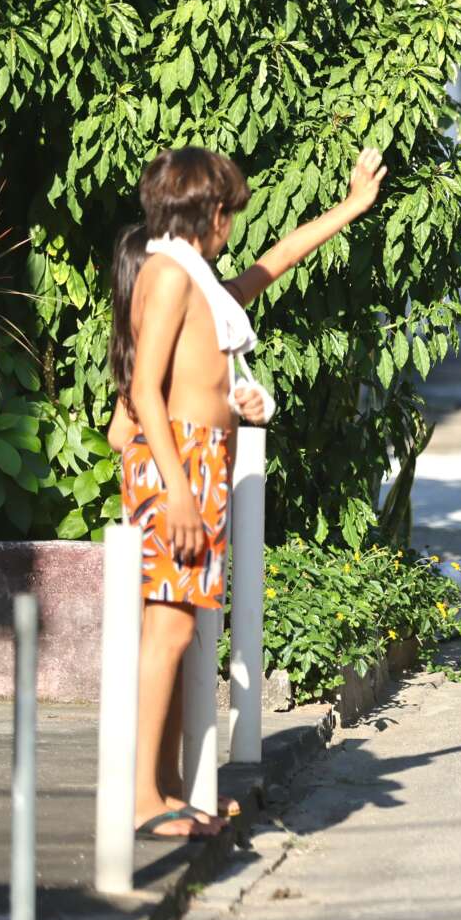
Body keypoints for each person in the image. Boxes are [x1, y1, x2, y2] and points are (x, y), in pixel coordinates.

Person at [115, 146, 385, 840]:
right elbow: (144, 389)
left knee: (179, 631)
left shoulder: (194, 276)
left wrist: (353, 207)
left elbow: (278, 260)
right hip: (177, 466)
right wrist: (176, 491)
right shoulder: (171, 274)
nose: (233, 223)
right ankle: (143, 802)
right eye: (228, 210)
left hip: (199, 464)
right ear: (204, 210)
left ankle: (171, 792)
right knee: (167, 629)